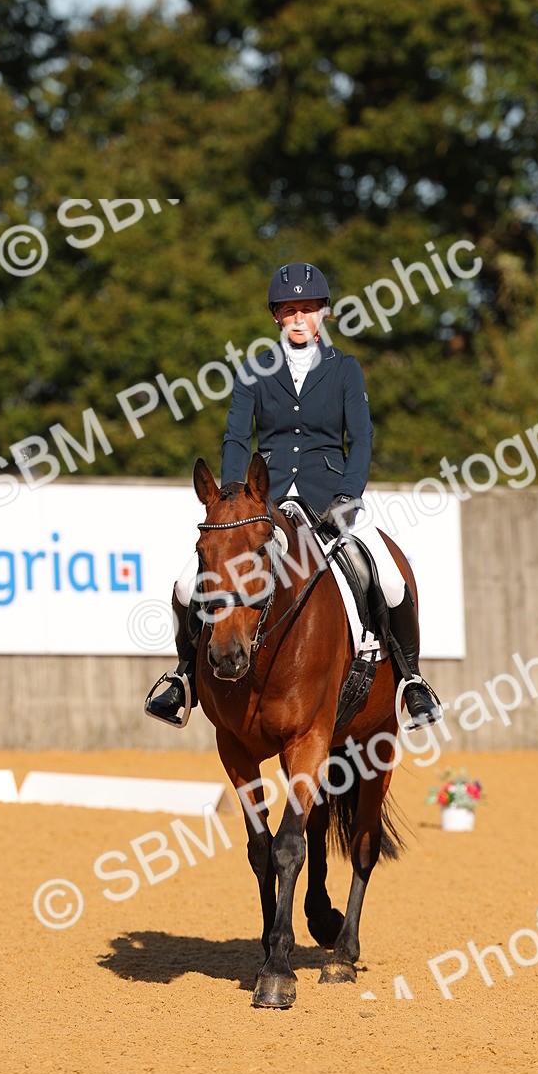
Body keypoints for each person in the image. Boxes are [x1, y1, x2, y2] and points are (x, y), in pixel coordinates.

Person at [145, 261, 441, 729]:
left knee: (389, 578)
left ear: (323, 313)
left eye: (307, 309)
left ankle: (411, 681)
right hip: (266, 500)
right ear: (276, 318)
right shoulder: (254, 371)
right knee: (187, 586)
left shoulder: (346, 370)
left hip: (332, 497)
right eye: (289, 310)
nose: (299, 318)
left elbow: (360, 439)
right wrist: (233, 499)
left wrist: (348, 496)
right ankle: (184, 678)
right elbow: (236, 438)